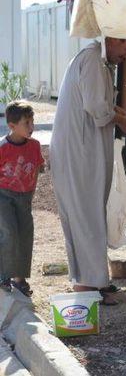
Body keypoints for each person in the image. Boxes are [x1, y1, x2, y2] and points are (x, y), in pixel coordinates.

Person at [50, 37, 126, 305]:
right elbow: (96, 108)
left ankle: (94, 281)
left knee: (89, 214)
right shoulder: (90, 59)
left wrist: (122, 115)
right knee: (84, 215)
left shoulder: (98, 62)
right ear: (115, 39)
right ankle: (87, 286)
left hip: (85, 151)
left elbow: (101, 103)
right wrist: (123, 120)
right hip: (78, 151)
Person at [0, 101, 44, 297]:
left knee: (25, 235)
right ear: (12, 126)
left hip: (25, 198)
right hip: (3, 196)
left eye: (32, 121)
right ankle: (4, 275)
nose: (31, 126)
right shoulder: (2, 147)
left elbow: (38, 167)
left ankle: (19, 279)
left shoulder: (34, 146)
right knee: (9, 233)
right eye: (26, 123)